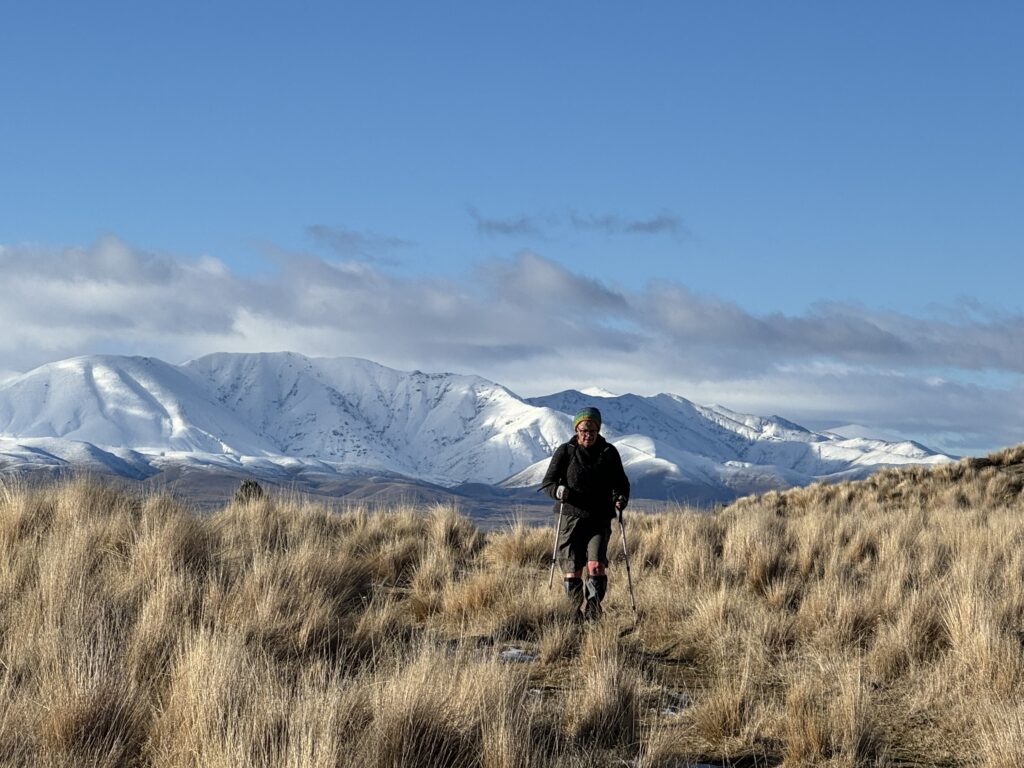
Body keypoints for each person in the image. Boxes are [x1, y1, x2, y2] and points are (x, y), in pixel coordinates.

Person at [541, 406, 630, 620]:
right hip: (570, 518)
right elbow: (548, 483)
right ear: (576, 429)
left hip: (599, 518)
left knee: (596, 565)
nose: (587, 435)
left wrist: (620, 498)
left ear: (598, 430)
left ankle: (593, 609)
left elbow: (621, 482)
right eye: (583, 430)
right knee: (572, 569)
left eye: (592, 431)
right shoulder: (566, 451)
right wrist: (558, 491)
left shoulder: (609, 453)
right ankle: (574, 613)